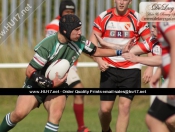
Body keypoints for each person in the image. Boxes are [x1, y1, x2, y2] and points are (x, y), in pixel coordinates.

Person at [0, 14, 131, 132]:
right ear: (65, 30)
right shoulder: (48, 45)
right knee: (18, 114)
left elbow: (96, 51)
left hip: (59, 86)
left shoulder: (80, 41)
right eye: (77, 30)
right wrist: (49, 83)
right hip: (36, 84)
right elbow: (29, 71)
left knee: (55, 114)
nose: (80, 32)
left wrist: (120, 52)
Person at [89, 0, 152, 132]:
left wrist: (150, 68)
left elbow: (150, 43)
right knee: (105, 110)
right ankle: (106, 130)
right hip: (109, 67)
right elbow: (91, 45)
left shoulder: (138, 18)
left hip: (131, 68)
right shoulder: (103, 17)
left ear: (129, 1)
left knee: (124, 107)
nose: (121, 2)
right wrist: (99, 61)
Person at [45, 0, 89, 131]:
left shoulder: (74, 25)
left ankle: (80, 127)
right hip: (60, 67)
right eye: (66, 12)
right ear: (60, 12)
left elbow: (82, 46)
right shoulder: (54, 25)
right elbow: (51, 47)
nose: (69, 14)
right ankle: (81, 127)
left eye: (72, 12)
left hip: (69, 67)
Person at [145, 0, 175, 132]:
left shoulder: (167, 14)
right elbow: (168, 50)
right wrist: (159, 72)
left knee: (154, 119)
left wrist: (172, 80)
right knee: (166, 120)